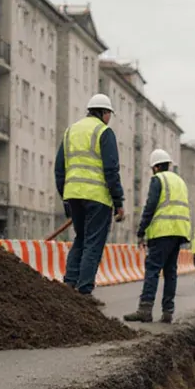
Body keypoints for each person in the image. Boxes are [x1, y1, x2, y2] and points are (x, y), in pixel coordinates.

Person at [54, 93, 125, 295]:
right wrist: (118, 201)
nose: (109, 118)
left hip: (73, 195)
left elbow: (60, 170)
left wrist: (66, 198)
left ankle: (69, 285)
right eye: (109, 114)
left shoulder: (70, 131)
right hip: (97, 198)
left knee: (81, 238)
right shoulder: (104, 132)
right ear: (103, 113)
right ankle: (84, 292)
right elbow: (111, 170)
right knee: (93, 243)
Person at [124, 149, 191, 324]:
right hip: (179, 231)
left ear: (155, 167)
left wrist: (141, 230)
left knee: (153, 269)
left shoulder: (158, 180)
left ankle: (145, 309)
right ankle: (168, 311)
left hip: (162, 231)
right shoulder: (180, 182)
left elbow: (150, 206)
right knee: (170, 271)